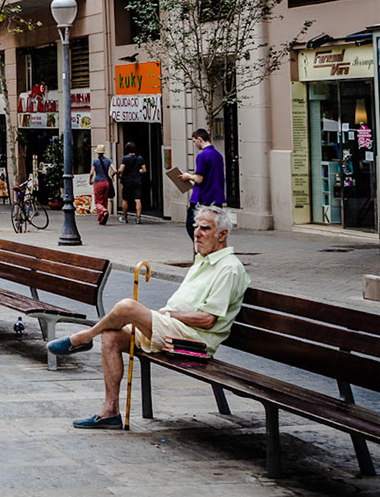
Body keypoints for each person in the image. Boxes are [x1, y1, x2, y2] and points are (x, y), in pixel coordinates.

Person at [50, 206, 251, 428]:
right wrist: (166, 316)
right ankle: (110, 412)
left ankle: (83, 337)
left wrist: (168, 314)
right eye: (196, 227)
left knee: (127, 307)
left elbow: (207, 320)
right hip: (173, 330)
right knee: (111, 336)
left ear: (222, 235)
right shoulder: (203, 261)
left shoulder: (229, 268)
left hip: (194, 341)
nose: (197, 233)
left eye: (205, 228)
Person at [180, 129, 225, 248]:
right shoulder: (218, 155)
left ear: (200, 139)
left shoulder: (202, 155)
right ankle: (213, 247)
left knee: (192, 224)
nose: (195, 144)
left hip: (203, 197)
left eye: (195, 141)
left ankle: (201, 248)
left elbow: (199, 179)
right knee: (213, 225)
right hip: (217, 196)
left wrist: (188, 176)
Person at [115, 142, 146, 222]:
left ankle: (125, 217)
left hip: (128, 181)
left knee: (125, 199)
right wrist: (138, 171)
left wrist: (117, 172)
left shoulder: (125, 158)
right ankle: (138, 218)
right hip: (137, 180)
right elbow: (144, 170)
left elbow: (121, 170)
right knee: (138, 199)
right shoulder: (140, 158)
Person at [90, 146, 113, 226]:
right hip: (106, 182)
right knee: (104, 200)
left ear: (97, 152)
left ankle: (104, 211)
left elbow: (92, 173)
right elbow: (115, 170)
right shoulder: (108, 160)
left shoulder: (95, 161)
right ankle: (101, 219)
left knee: (98, 202)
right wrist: (112, 176)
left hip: (98, 182)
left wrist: (90, 180)